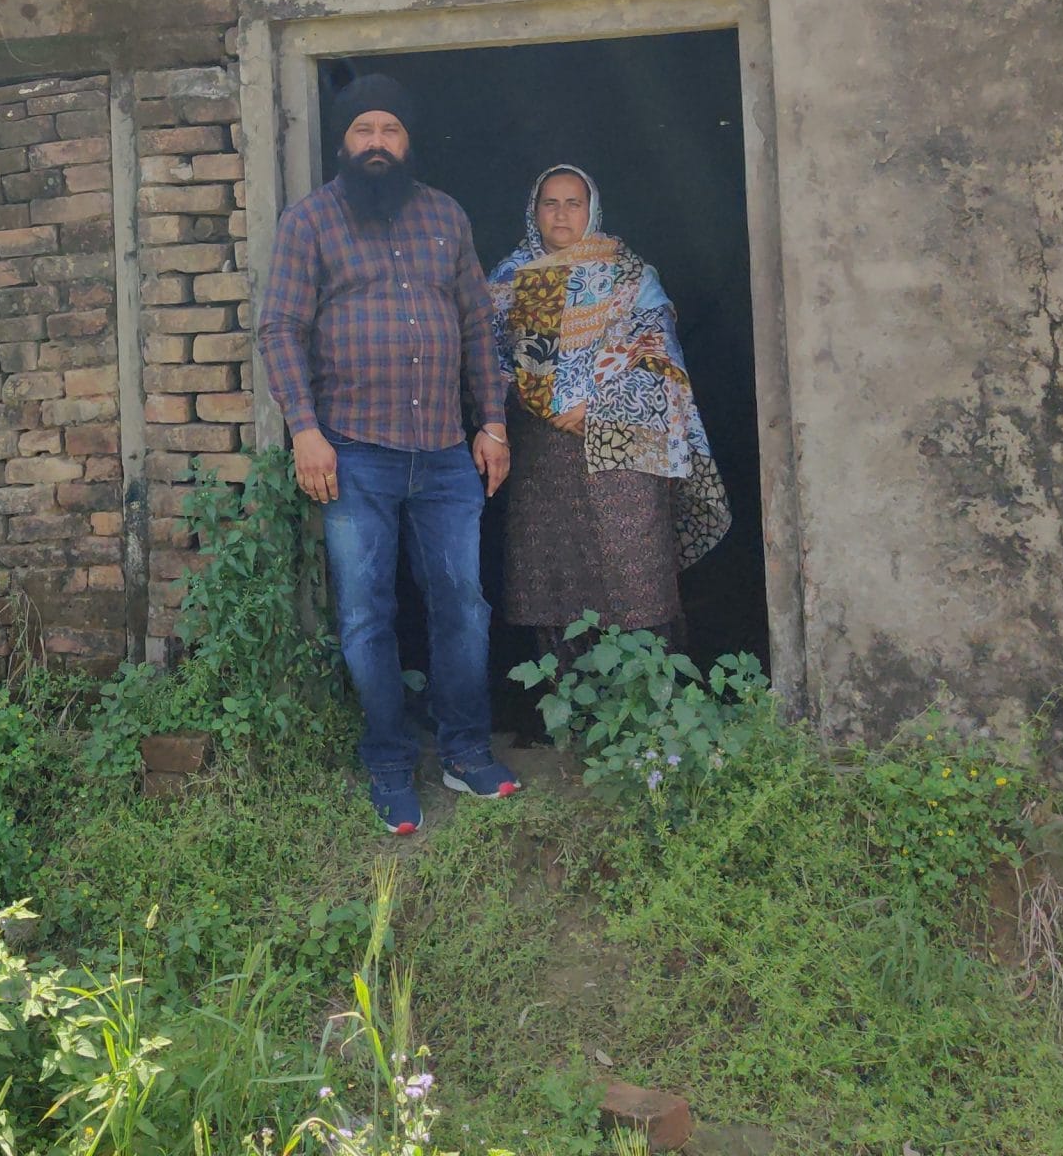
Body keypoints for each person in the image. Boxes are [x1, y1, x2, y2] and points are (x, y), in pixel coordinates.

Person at [257, 73, 520, 834]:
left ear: (409, 142)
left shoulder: (446, 217)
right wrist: (305, 430)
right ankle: (388, 763)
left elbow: (477, 327)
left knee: (462, 608)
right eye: (364, 130)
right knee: (368, 614)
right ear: (344, 142)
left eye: (391, 131)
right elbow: (279, 329)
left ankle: (468, 754)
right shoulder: (311, 222)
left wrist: (492, 424)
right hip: (353, 454)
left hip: (444, 453)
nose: (377, 142)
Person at [486, 165, 732, 675]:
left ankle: (648, 715)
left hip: (624, 449)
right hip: (543, 454)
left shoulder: (630, 275)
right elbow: (485, 362)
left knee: (634, 574)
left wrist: (594, 404)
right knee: (552, 577)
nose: (561, 214)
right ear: (534, 211)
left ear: (592, 209)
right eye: (549, 203)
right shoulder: (506, 280)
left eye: (573, 203)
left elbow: (659, 353)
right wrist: (545, 404)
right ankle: (568, 713)